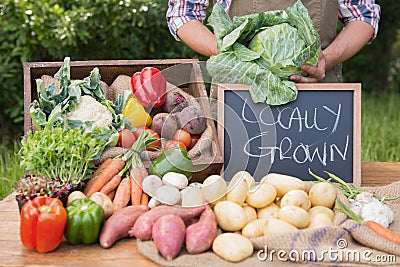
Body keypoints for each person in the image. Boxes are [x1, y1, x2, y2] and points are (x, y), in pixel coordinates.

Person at [166, 0, 381, 83]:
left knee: (322, 182)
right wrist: (232, 56)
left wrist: (328, 58)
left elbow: (363, 16)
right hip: (240, 92)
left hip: (318, 96)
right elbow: (183, 13)